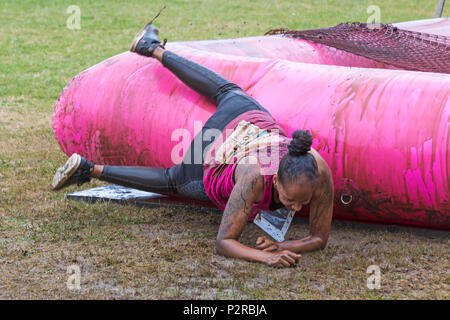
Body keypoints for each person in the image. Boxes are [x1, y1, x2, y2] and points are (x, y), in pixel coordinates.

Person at [52, 20, 334, 268]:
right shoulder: (254, 176)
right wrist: (266, 256)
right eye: (289, 200)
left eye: (303, 201)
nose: (296, 209)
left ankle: (151, 47)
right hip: (219, 146)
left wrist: (282, 246)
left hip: (249, 119)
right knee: (173, 180)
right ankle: (88, 169)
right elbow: (224, 242)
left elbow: (319, 238)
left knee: (228, 91)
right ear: (275, 182)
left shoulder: (317, 168)